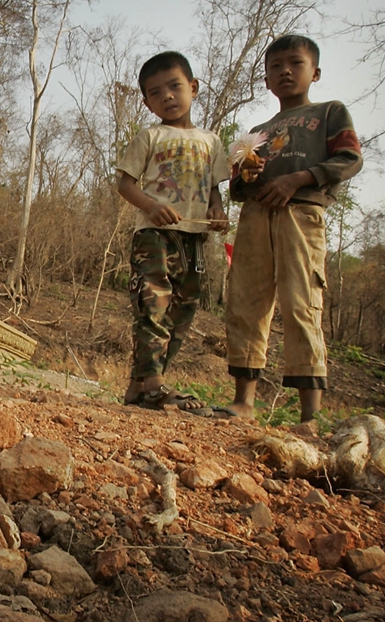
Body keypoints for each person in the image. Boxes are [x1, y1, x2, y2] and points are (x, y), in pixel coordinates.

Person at [225, 34, 362, 422]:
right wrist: (245, 175)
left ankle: (309, 416)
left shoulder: (329, 113)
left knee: (302, 303)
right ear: (266, 80)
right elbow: (237, 186)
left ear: (314, 72)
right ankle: (243, 402)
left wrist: (300, 178)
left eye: (295, 63)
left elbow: (349, 158)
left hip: (301, 216)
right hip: (254, 217)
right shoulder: (259, 130)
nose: (285, 70)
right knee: (246, 303)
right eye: (275, 66)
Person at [116, 51, 229, 415]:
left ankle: (139, 386)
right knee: (152, 304)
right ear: (148, 103)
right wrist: (151, 206)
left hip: (193, 237)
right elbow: (125, 185)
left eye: (175, 86)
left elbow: (214, 188)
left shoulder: (211, 142)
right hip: (154, 234)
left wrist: (218, 211)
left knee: (183, 310)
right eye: (156, 92)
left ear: (193, 88)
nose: (167, 96)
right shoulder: (149, 136)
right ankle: (154, 385)